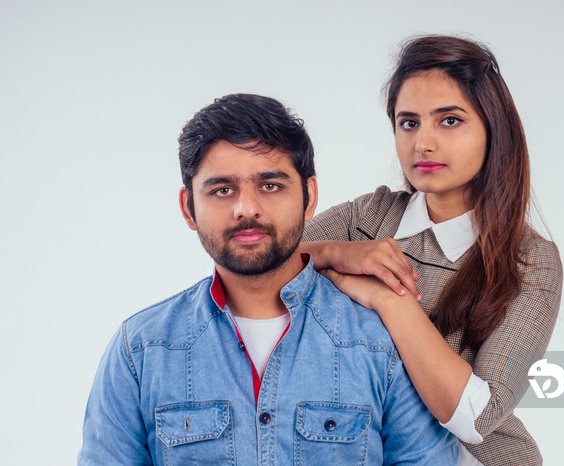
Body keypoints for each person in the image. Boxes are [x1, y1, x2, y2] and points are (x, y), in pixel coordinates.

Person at [78, 93, 460, 464]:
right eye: (222, 190)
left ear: (309, 196)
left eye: (270, 186)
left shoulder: (382, 343)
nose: (247, 209)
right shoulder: (141, 351)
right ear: (189, 208)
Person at [301, 35, 563, 465]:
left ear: (492, 130)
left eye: (450, 121)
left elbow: (480, 417)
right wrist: (338, 253)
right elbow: (254, 270)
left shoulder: (528, 261)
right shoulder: (369, 217)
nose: (422, 143)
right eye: (409, 123)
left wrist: (391, 299)